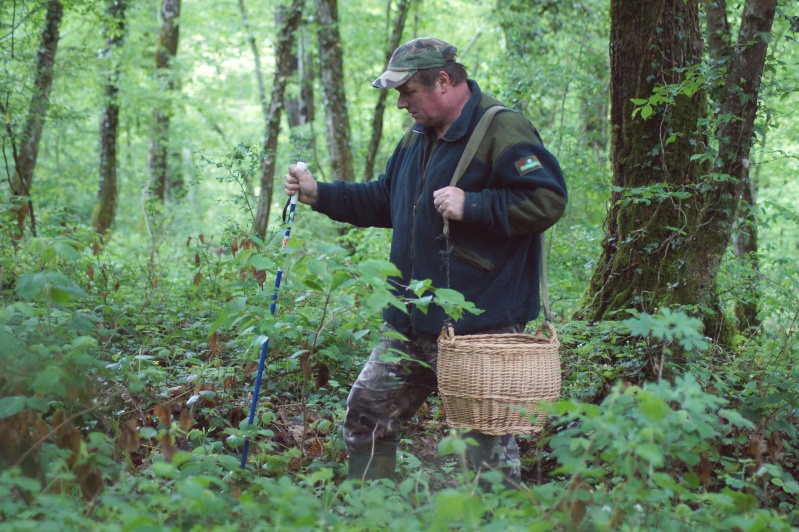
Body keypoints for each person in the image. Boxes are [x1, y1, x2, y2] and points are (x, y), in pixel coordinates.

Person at [285, 37, 567, 488]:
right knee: (366, 415)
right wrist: (320, 193)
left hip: (480, 327)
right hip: (411, 320)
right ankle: (372, 512)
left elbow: (548, 200)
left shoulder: (502, 129)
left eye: (406, 92)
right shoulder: (417, 136)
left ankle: (501, 521)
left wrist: (473, 206)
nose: (400, 104)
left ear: (442, 81)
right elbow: (384, 199)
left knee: (487, 453)